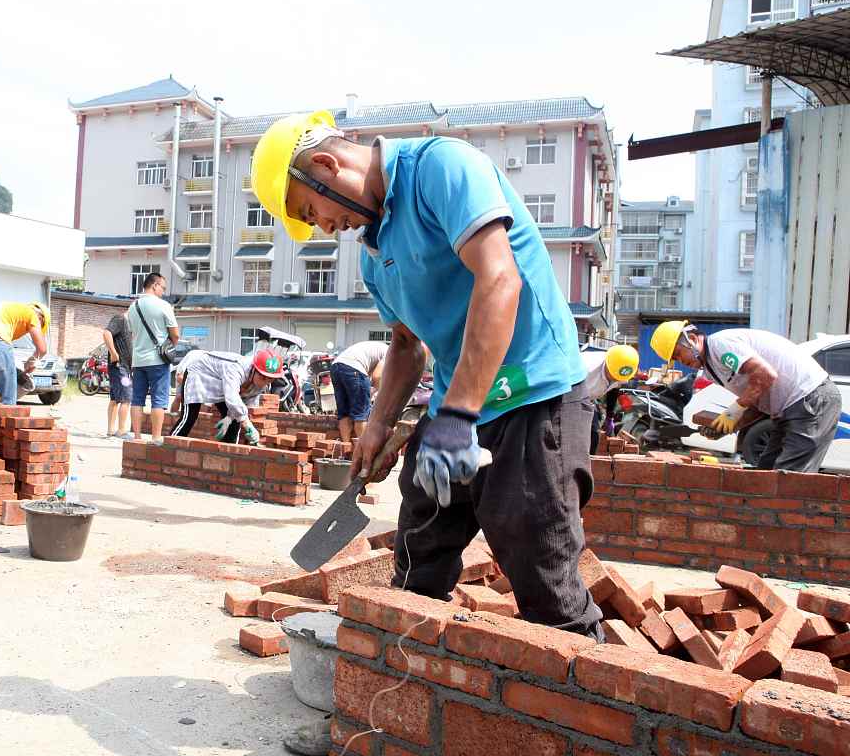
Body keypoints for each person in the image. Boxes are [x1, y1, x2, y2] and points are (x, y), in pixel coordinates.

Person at [252, 110, 603, 642]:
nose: (324, 227)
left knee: (541, 573)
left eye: (311, 210)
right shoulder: (374, 257)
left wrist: (458, 416)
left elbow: (499, 279)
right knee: (419, 553)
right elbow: (405, 345)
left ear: (325, 165)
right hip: (455, 409)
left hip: (534, 394)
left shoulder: (440, 167)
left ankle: (585, 671)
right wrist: (377, 426)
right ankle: (407, 669)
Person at [650, 321, 840, 472]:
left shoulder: (720, 345)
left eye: (678, 354)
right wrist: (729, 426)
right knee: (766, 471)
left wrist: (733, 411)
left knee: (790, 477)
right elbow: (757, 401)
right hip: (791, 408)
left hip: (811, 399)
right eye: (675, 359)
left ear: (691, 339)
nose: (681, 361)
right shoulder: (710, 368)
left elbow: (765, 375)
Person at [170, 349, 285, 443]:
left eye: (270, 379)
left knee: (235, 422)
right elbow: (232, 397)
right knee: (190, 417)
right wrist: (247, 424)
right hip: (198, 373)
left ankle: (229, 453)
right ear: (255, 369)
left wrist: (229, 418)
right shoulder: (236, 368)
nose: (265, 382)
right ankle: (169, 447)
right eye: (263, 377)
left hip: (221, 383)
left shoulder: (260, 384)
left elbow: (242, 402)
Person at [127, 273, 178, 444]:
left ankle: (137, 437)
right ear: (155, 285)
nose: (163, 291)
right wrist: (169, 346)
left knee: (137, 399)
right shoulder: (163, 305)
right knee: (159, 400)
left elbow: (133, 333)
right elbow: (175, 335)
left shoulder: (132, 307)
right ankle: (156, 437)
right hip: (158, 361)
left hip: (138, 360)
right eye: (163, 288)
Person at [0, 301, 49, 404]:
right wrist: (31, 362)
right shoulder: (32, 315)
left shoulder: (10, 310)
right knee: (8, 399)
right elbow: (42, 349)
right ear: (41, 319)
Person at [330, 340, 390, 445]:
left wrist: (369, 390)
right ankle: (362, 451)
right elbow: (377, 376)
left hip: (336, 366)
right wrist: (377, 391)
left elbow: (370, 375)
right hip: (354, 368)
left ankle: (346, 449)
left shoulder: (376, 349)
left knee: (344, 413)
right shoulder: (389, 352)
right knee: (361, 415)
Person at [581, 345, 639, 453]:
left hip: (589, 398)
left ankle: (590, 460)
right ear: (607, 365)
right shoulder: (586, 369)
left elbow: (614, 390)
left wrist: (609, 417)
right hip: (568, 395)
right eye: (613, 377)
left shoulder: (622, 369)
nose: (616, 380)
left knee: (593, 435)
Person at [101, 311, 134, 439]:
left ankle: (110, 430)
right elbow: (106, 333)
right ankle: (121, 430)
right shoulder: (120, 319)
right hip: (120, 368)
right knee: (126, 398)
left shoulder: (128, 324)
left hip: (121, 368)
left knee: (115, 399)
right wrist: (114, 353)